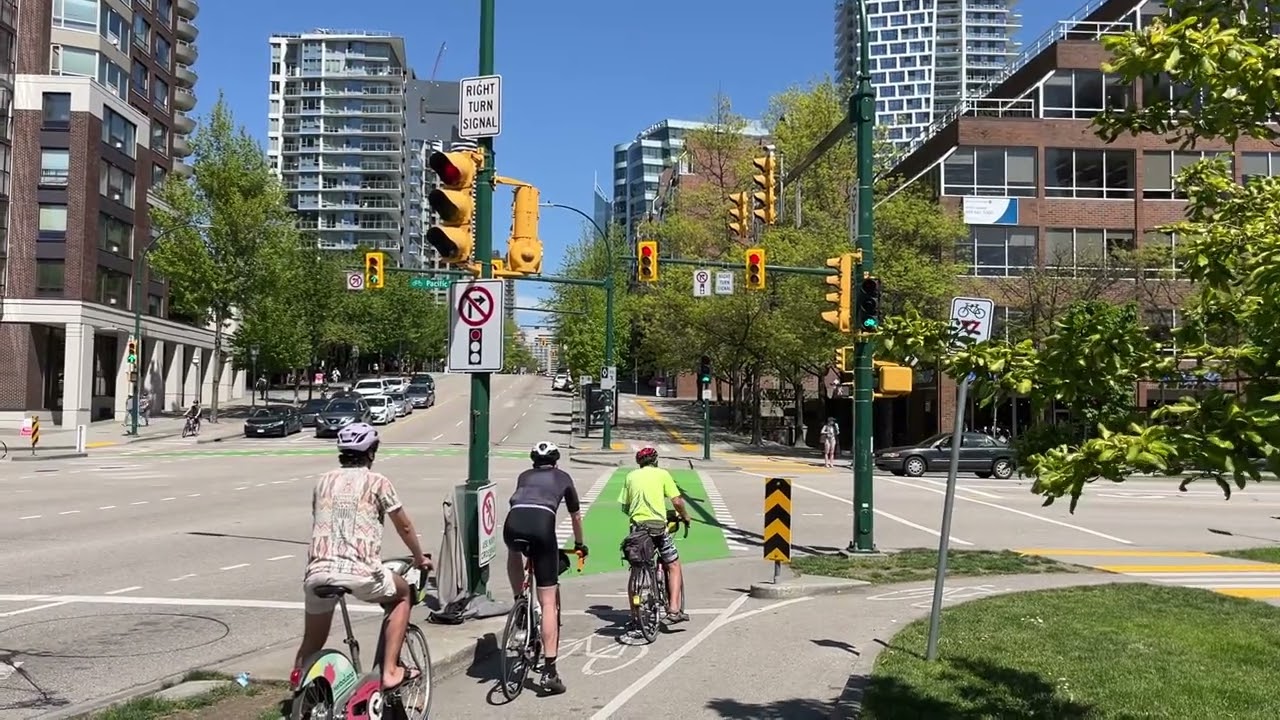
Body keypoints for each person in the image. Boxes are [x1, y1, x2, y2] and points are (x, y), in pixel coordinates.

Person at [291, 423, 431, 691]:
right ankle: (390, 671)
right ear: (371, 453)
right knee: (403, 596)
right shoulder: (378, 482)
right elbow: (404, 526)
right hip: (361, 572)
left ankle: (299, 688)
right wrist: (419, 557)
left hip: (318, 572)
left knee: (312, 641)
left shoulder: (322, 481)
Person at [502, 440, 587, 696]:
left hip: (513, 524)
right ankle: (550, 671)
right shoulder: (563, 477)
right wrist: (581, 544)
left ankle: (519, 602)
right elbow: (575, 517)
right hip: (542, 528)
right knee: (548, 602)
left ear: (533, 463)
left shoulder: (523, 476)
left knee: (513, 549)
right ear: (555, 461)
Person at [618, 446, 690, 624]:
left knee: (636, 569)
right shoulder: (663, 474)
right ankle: (674, 609)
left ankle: (635, 616)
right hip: (658, 527)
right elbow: (677, 501)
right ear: (655, 461)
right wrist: (685, 517)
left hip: (638, 529)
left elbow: (625, 507)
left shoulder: (631, 476)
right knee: (673, 564)